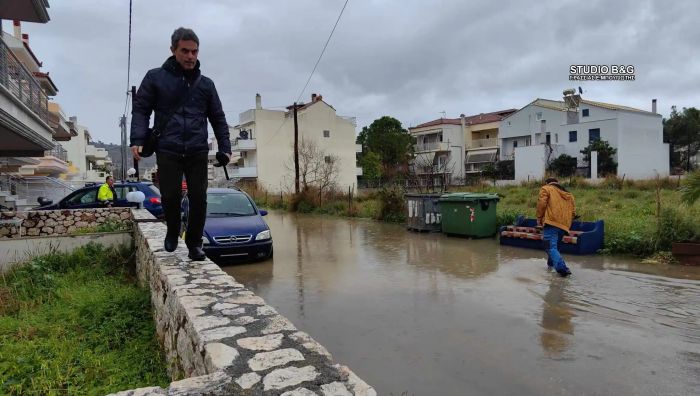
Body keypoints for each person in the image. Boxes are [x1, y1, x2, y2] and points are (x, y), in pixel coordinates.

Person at [130, 27, 231, 260]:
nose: (190, 56)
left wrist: (225, 148)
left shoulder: (206, 84)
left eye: (194, 51)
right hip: (168, 147)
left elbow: (218, 117)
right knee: (170, 196)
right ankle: (173, 230)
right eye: (185, 51)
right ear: (173, 50)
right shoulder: (155, 77)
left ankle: (195, 243)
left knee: (199, 197)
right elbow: (141, 109)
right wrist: (137, 139)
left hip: (197, 148)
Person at [536, 177, 575, 277]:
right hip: (564, 225)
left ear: (547, 183)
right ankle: (550, 266)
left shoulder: (546, 188)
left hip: (552, 222)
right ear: (557, 183)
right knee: (555, 247)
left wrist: (539, 218)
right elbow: (573, 212)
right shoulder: (569, 195)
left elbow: (542, 203)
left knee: (549, 246)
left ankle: (562, 268)